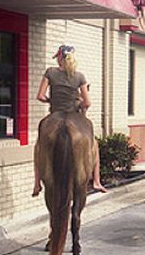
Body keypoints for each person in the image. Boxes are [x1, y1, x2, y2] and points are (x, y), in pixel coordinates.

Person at [32, 45, 107, 197]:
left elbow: (40, 96)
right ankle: (97, 181)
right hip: (74, 113)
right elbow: (87, 103)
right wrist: (77, 104)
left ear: (60, 58)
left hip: (55, 112)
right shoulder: (79, 76)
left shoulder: (50, 72)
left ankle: (36, 184)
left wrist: (51, 101)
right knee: (94, 145)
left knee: (39, 147)